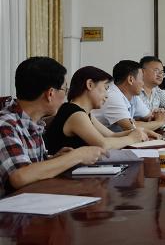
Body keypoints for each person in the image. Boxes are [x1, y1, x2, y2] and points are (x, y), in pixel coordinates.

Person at [0, 57, 106, 197]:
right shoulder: (5, 124)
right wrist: (77, 156)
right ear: (50, 94)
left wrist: (54, 160)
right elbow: (19, 176)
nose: (66, 96)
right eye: (65, 89)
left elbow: (30, 166)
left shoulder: (33, 122)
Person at [44, 66, 149, 154]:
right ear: (90, 84)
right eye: (105, 88)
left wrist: (137, 131)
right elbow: (103, 144)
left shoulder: (84, 113)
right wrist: (132, 138)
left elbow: (111, 135)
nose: (107, 95)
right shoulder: (75, 114)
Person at [92, 60, 165, 133]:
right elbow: (131, 128)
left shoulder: (133, 95)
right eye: (142, 79)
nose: (143, 83)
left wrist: (158, 116)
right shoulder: (113, 96)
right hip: (97, 139)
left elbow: (150, 117)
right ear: (130, 80)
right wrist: (160, 122)